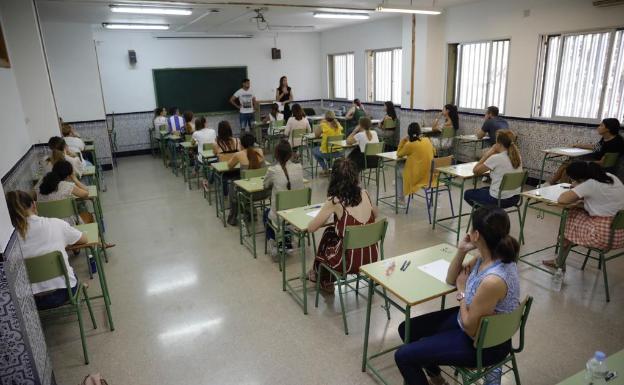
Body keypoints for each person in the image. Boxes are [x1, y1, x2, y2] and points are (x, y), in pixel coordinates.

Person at [394, 207, 520, 385]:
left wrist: (462, 292)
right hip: (476, 322)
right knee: (406, 329)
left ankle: (431, 374)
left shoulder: (493, 280)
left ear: (476, 234)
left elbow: (470, 327)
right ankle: (437, 378)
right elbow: (451, 278)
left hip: (485, 344)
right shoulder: (485, 257)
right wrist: (462, 251)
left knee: (403, 356)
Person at [307, 158, 379, 293]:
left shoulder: (335, 201)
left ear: (334, 178)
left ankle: (323, 278)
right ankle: (320, 275)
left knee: (326, 243)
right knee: (330, 232)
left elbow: (311, 228)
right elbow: (376, 213)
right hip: (371, 257)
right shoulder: (365, 193)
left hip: (348, 262)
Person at [6, 190, 87, 310]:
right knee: (70, 271)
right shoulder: (56, 224)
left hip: (27, 300)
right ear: (34, 205)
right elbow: (84, 239)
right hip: (63, 293)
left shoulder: (9, 243)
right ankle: (81, 286)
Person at [543, 161, 624, 269]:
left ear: (579, 179)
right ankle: (560, 259)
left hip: (603, 236)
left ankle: (559, 260)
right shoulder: (611, 177)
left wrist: (577, 187)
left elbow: (562, 200)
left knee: (571, 215)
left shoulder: (589, 185)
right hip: (621, 233)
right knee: (578, 214)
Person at [548, 118, 624, 185]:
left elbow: (603, 163)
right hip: (594, 161)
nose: (598, 127)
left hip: (601, 168)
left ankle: (552, 184)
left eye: (601, 125)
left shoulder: (615, 143)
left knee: (569, 166)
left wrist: (583, 162)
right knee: (567, 166)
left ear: (608, 129)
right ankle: (556, 185)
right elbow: (596, 147)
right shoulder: (606, 138)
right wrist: (578, 145)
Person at [263, 140, 304, 259]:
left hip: (281, 214)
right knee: (285, 213)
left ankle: (276, 244)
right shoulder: (299, 167)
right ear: (291, 154)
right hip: (298, 213)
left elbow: (265, 185)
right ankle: (287, 239)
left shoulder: (273, 170)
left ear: (276, 155)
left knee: (266, 214)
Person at [464, 130, 523, 208]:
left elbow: (475, 171)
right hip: (515, 198)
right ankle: (489, 212)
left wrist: (489, 153)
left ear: (499, 144)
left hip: (498, 199)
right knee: (483, 189)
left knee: (467, 194)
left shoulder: (496, 158)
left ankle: (488, 213)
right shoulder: (517, 156)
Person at [227, 133, 265, 226]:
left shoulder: (238, 154)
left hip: (247, 194)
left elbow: (229, 166)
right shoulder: (260, 151)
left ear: (241, 144)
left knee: (233, 184)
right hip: (264, 192)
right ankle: (250, 212)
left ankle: (233, 217)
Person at [37, 160, 89, 225]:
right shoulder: (67, 186)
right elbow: (86, 193)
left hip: (47, 224)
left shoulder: (40, 184)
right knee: (84, 210)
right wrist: (75, 179)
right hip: (67, 224)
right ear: (68, 176)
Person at [396, 123, 436, 203]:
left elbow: (399, 153)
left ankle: (400, 199)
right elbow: (434, 152)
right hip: (430, 176)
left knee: (398, 169)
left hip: (417, 177)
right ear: (419, 131)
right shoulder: (427, 140)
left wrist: (403, 141)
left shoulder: (410, 144)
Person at [313, 110, 344, 175]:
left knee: (314, 150)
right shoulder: (338, 124)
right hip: (338, 152)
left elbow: (316, 135)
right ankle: (330, 168)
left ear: (325, 117)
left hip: (328, 153)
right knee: (328, 149)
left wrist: (320, 123)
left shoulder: (323, 125)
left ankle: (325, 169)